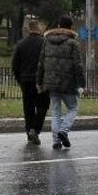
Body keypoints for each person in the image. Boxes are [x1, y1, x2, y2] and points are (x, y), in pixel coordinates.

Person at [36, 16, 85, 150]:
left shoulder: (47, 41)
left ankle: (56, 140)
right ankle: (63, 131)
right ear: (70, 27)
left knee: (56, 112)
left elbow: (41, 64)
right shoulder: (73, 43)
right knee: (73, 108)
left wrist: (39, 83)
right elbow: (78, 65)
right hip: (68, 83)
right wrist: (82, 84)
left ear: (58, 25)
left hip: (50, 83)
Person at [11, 20, 48, 145]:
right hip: (40, 80)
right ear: (38, 28)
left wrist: (19, 78)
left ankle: (29, 132)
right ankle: (35, 130)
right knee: (43, 105)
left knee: (28, 107)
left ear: (29, 29)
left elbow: (15, 64)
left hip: (25, 80)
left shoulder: (21, 44)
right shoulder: (45, 43)